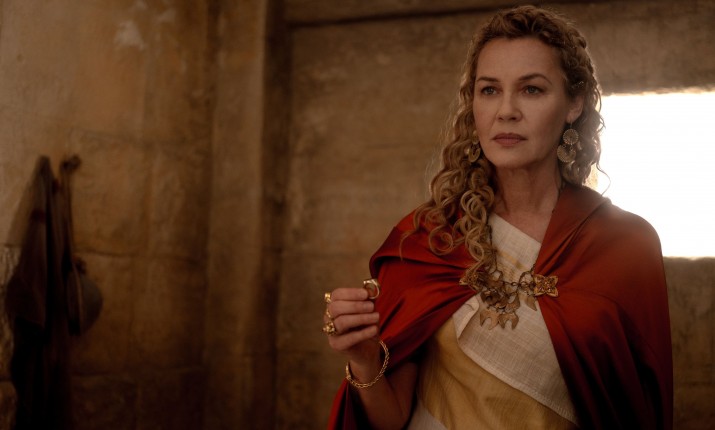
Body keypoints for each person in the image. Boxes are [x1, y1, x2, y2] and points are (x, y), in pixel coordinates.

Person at [322, 5, 673, 430]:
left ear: (574, 104)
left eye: (532, 89)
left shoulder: (626, 246)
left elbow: (636, 409)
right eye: (489, 90)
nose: (506, 110)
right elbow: (391, 418)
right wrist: (364, 359)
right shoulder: (430, 239)